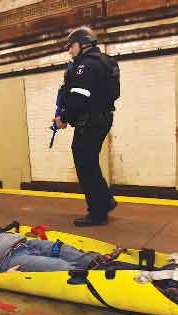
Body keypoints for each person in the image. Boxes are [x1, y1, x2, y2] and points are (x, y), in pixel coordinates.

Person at [53, 27, 118, 226]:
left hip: (89, 122)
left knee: (85, 165)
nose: (70, 51)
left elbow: (79, 97)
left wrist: (63, 117)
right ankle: (105, 202)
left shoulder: (86, 65)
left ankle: (98, 213)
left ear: (83, 44)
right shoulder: (106, 61)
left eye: (71, 46)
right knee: (90, 163)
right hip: (102, 118)